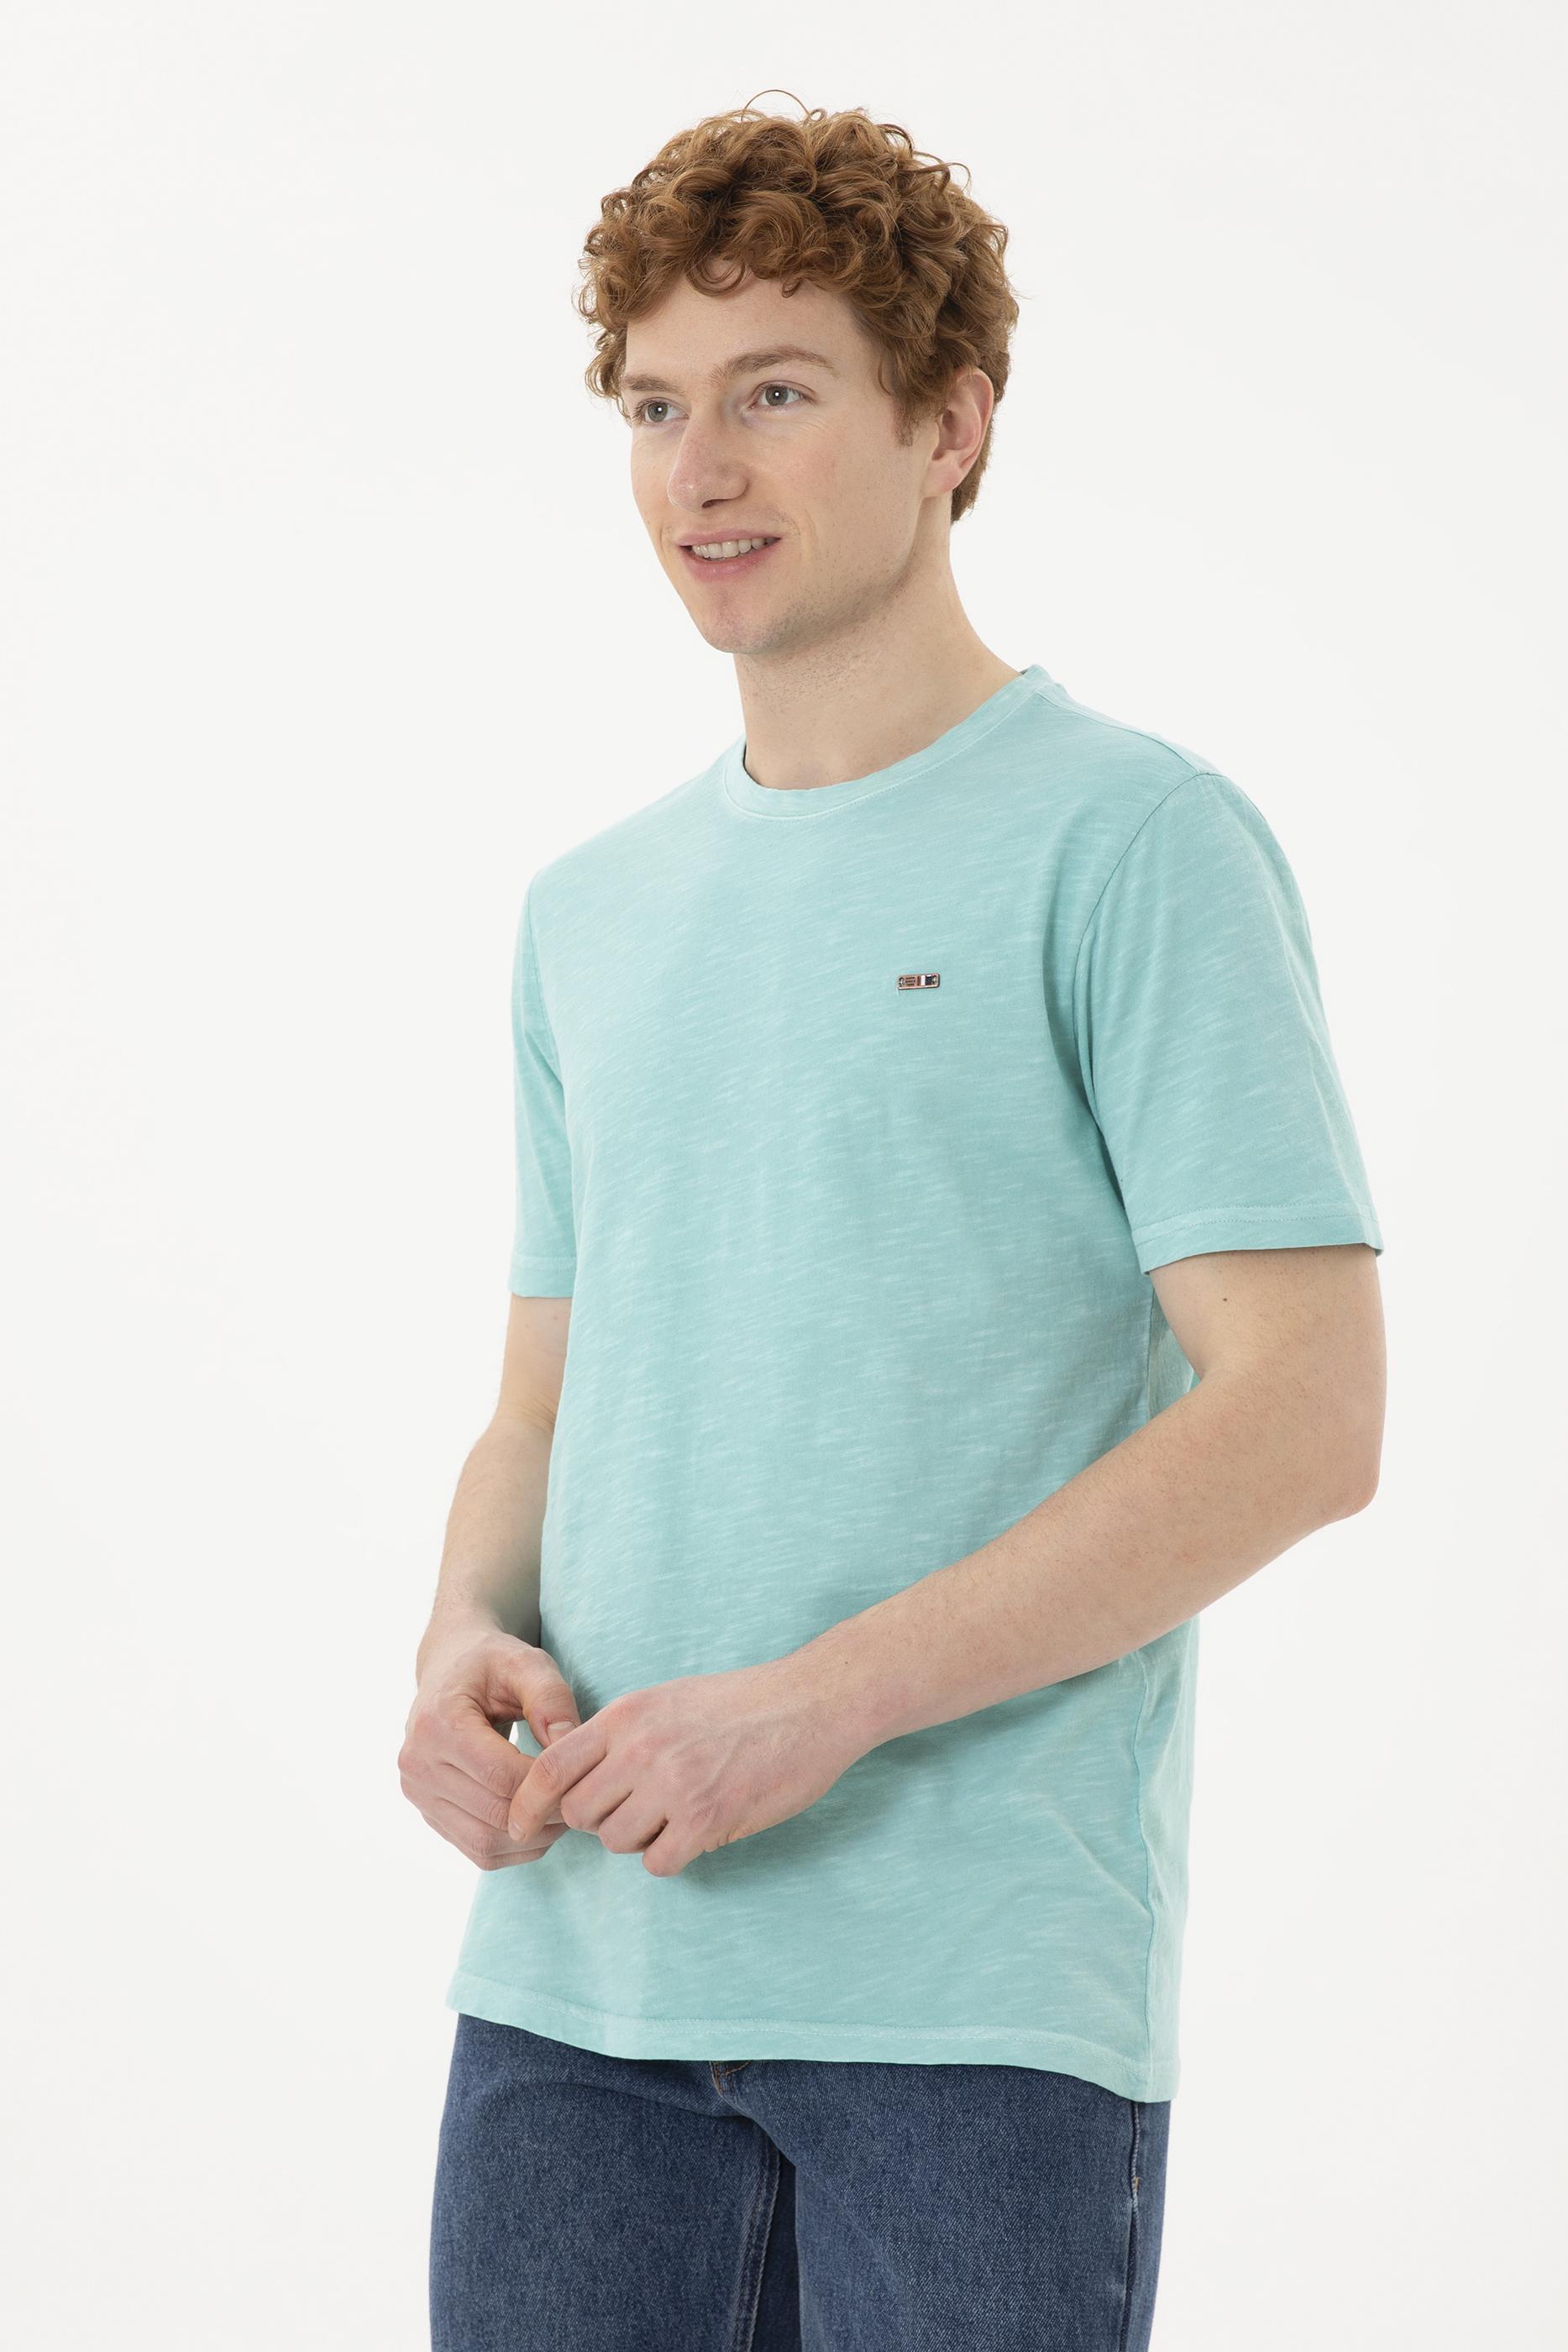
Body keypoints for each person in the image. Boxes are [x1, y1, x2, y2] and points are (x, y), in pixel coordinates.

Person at [401, 97, 1387, 2352]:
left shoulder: (1133, 843)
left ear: (951, 424)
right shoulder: (589, 909)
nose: (699, 471)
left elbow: (1309, 1415)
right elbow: (543, 1403)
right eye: (654, 406)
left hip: (968, 2013)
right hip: (573, 1986)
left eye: (774, 392)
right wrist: (461, 1631)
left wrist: (819, 1708)